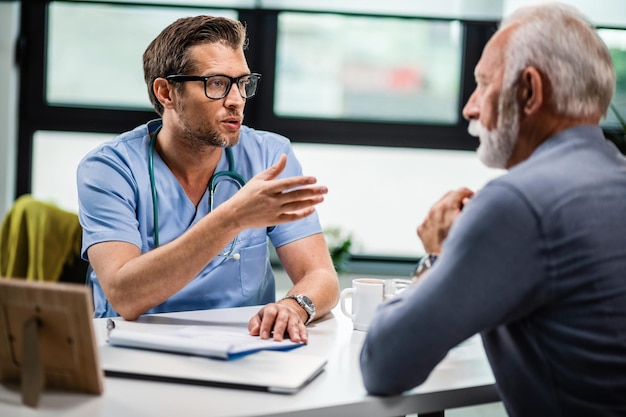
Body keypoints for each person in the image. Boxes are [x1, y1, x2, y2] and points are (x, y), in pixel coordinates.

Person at [360, 3, 626, 416]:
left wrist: (437, 255)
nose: (470, 108)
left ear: (529, 91)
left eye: (483, 84)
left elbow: (382, 364)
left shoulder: (517, 202)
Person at [77, 15, 339, 343]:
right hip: (133, 348)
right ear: (166, 93)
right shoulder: (110, 169)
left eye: (242, 83)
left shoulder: (270, 156)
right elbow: (124, 296)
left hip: (243, 346)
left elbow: (320, 275)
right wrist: (232, 218)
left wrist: (294, 306)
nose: (236, 99)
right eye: (216, 83)